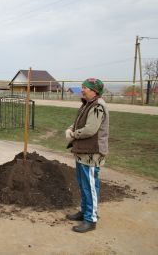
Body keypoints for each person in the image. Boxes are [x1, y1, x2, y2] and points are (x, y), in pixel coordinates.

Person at [65, 78, 109, 233]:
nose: (82, 90)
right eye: (82, 87)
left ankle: (91, 220)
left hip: (92, 153)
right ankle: (85, 211)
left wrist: (73, 135)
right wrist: (71, 128)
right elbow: (79, 123)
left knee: (90, 186)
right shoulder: (87, 104)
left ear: (94, 91)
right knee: (84, 184)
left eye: (85, 88)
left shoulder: (98, 106)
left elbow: (90, 129)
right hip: (83, 152)